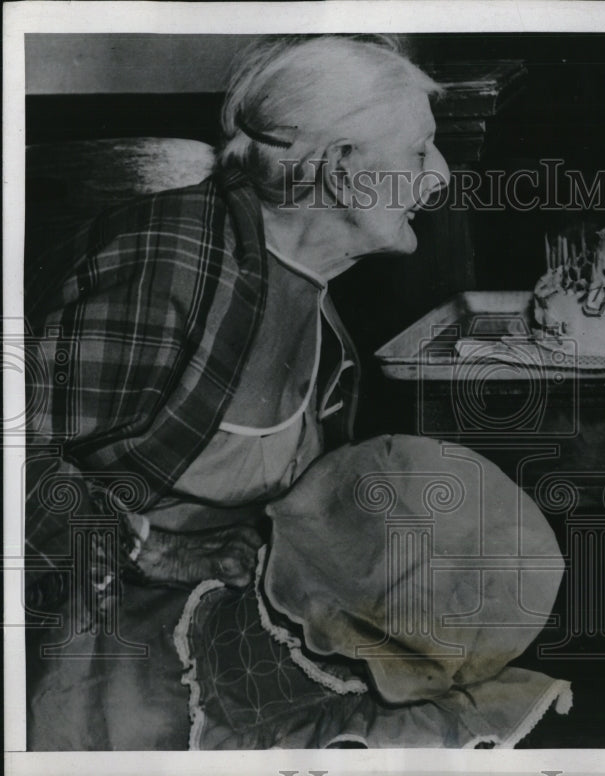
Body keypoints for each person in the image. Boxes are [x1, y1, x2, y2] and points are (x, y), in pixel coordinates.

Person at [24, 34, 456, 749]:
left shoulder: (313, 290)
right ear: (343, 171)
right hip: (108, 628)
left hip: (236, 610)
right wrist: (149, 550)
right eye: (419, 152)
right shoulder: (169, 266)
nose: (439, 177)